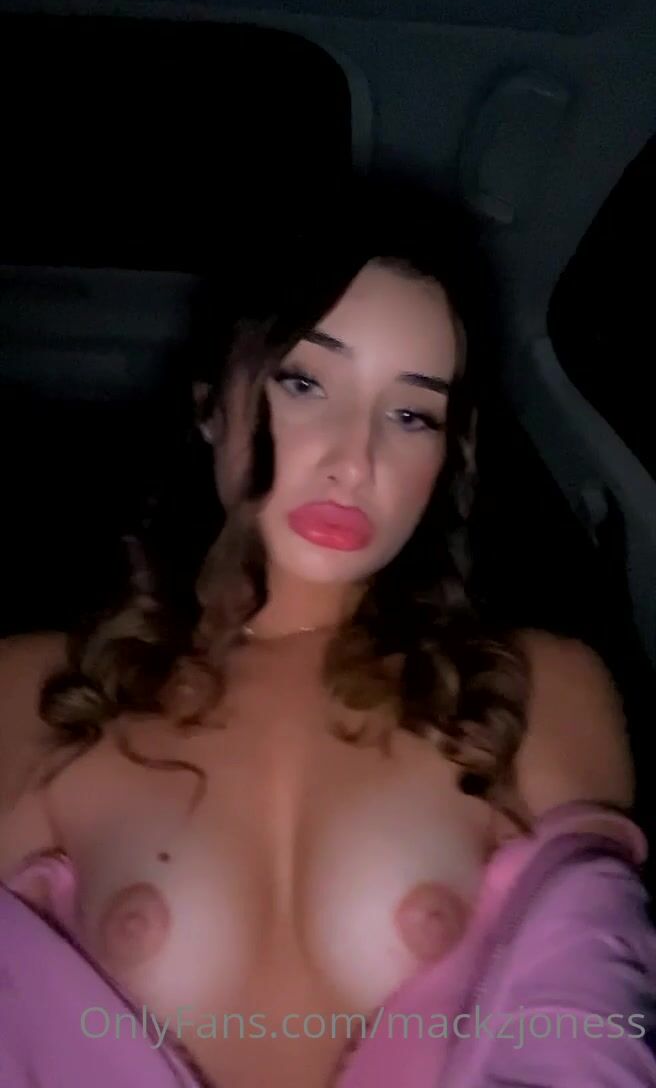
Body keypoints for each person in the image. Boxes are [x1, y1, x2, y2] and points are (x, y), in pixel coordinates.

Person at [0, 174, 653, 1088]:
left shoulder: (540, 691)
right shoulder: (33, 694)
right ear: (210, 404)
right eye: (305, 382)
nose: (356, 459)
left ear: (448, 456)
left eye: (411, 414)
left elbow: (590, 1033)